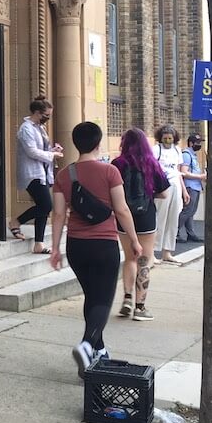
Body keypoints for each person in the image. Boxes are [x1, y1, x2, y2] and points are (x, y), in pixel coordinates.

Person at [49, 122, 142, 377]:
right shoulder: (110, 171)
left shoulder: (63, 175)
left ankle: (98, 350)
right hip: (104, 244)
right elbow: (122, 209)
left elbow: (58, 214)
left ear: (75, 143)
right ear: (98, 143)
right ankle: (87, 344)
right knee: (103, 299)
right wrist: (134, 240)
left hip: (76, 246)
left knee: (92, 297)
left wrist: (55, 248)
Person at [111, 128, 171, 322]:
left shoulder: (117, 164)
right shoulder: (151, 163)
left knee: (129, 258)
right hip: (146, 216)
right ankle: (140, 307)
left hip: (124, 215)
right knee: (144, 260)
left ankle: (127, 298)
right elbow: (164, 193)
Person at [11, 96, 63, 254]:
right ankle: (16, 221)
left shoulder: (40, 128)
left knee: (43, 207)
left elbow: (40, 150)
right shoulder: (26, 128)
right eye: (46, 115)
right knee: (46, 205)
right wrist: (51, 155)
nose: (48, 118)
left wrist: (52, 151)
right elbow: (31, 151)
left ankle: (39, 243)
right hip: (31, 173)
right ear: (37, 112)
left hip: (42, 172)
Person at [152, 125, 187, 263]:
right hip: (162, 186)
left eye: (170, 138)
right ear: (160, 138)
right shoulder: (156, 150)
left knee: (173, 219)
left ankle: (167, 251)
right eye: (165, 138)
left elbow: (178, 172)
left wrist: (184, 190)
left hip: (175, 185)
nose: (167, 141)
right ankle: (153, 251)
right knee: (160, 218)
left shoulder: (177, 150)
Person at [177, 133, 207, 243]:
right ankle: (174, 231)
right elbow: (184, 172)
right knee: (187, 210)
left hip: (196, 186)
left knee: (191, 211)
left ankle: (190, 233)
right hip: (190, 186)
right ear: (191, 143)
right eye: (197, 142)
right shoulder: (186, 154)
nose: (199, 145)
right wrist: (200, 176)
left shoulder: (192, 155)